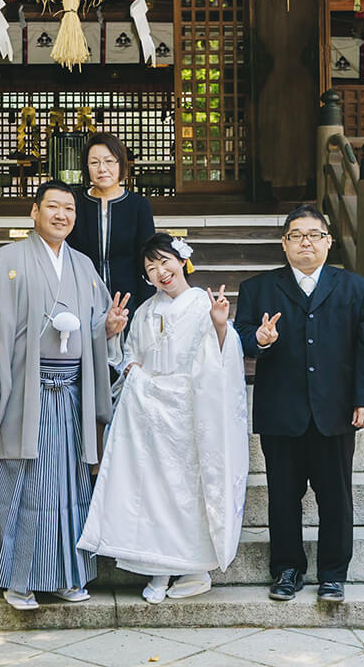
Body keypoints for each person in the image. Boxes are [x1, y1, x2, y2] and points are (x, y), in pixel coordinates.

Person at [0, 179, 130, 611]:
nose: (61, 215)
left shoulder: (83, 265)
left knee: (70, 486)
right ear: (33, 212)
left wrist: (108, 329)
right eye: (53, 206)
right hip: (24, 389)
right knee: (26, 483)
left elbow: (94, 327)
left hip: (71, 392)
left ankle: (68, 575)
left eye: (69, 209)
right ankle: (19, 581)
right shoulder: (9, 260)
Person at [78, 233, 248, 604]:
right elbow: (128, 357)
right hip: (148, 415)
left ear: (181, 259)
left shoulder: (203, 305)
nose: (160, 272)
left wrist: (221, 326)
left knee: (185, 493)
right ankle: (158, 567)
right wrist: (118, 343)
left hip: (188, 413)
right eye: (151, 268)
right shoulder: (144, 311)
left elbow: (221, 361)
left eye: (164, 261)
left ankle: (193, 567)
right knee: (151, 493)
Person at [232, 205, 364, 604]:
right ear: (284, 244)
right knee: (282, 498)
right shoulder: (257, 289)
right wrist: (260, 339)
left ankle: (333, 574)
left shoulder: (357, 288)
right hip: (282, 411)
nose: (306, 243)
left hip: (335, 412)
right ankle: (286, 570)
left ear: (328, 242)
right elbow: (241, 337)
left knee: (336, 498)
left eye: (314, 235)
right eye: (297, 236)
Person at [67, 132, 156, 315]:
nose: (102, 168)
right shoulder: (75, 203)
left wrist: (145, 305)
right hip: (83, 299)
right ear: (86, 168)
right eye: (94, 162)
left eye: (109, 161)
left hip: (128, 301)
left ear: (121, 164)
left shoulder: (138, 205)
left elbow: (147, 256)